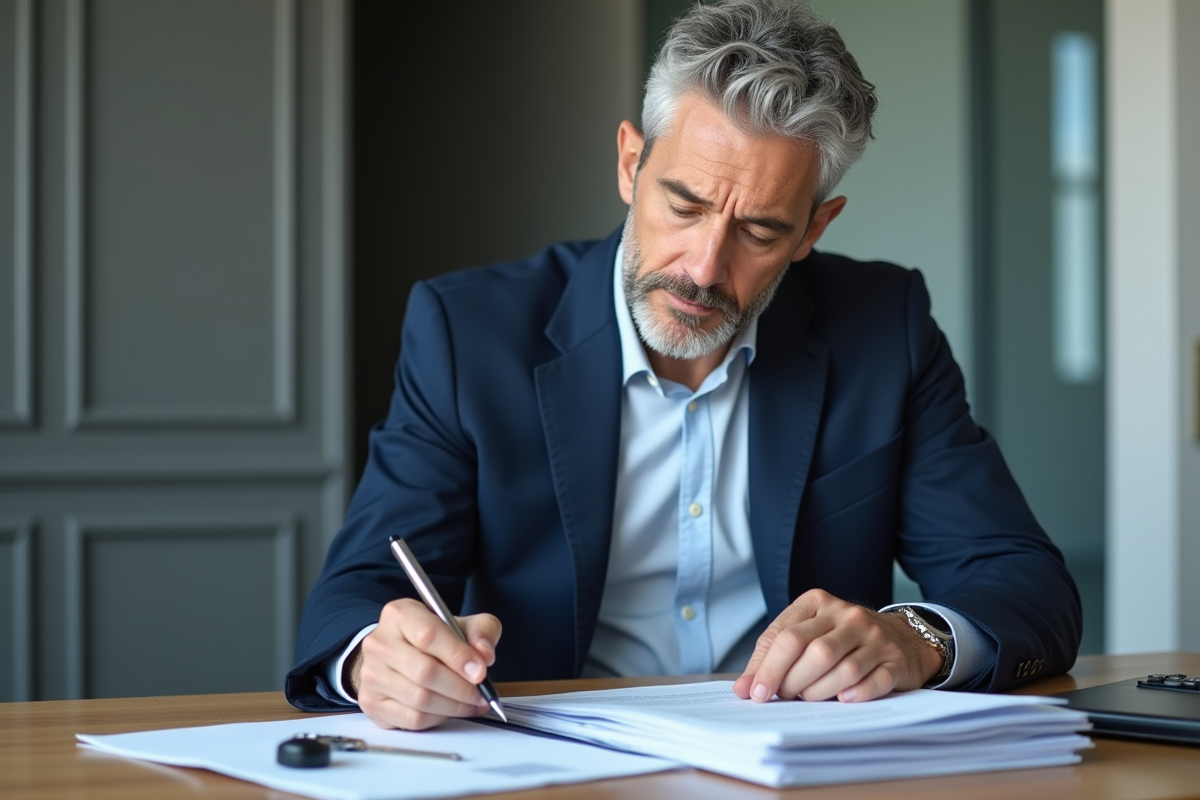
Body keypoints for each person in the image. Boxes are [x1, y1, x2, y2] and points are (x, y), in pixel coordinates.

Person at [286, 0, 1081, 731]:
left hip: (802, 765)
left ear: (814, 229)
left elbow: (1025, 583)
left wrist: (915, 638)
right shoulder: (468, 332)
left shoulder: (885, 328)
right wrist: (375, 660)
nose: (703, 268)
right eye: (685, 205)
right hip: (556, 764)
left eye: (762, 232)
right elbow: (358, 590)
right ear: (631, 163)